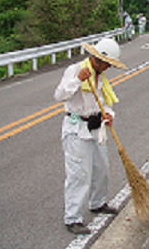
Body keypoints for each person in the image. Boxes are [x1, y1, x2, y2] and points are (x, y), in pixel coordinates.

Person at [54, 38, 127, 235]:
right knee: (79, 174)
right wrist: (78, 79)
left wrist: (108, 115)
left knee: (101, 168)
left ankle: (98, 203)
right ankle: (73, 218)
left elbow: (105, 102)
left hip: (96, 127)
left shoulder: (101, 76)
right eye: (107, 63)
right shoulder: (76, 69)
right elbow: (59, 95)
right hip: (76, 128)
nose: (109, 67)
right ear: (98, 58)